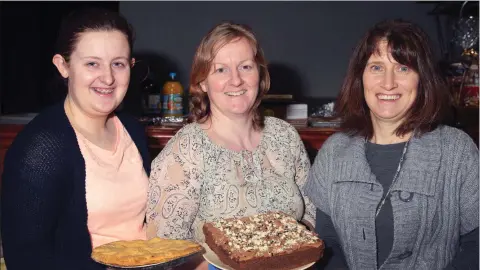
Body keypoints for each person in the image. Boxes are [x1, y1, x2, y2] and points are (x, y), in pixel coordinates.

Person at [304, 19, 479, 270]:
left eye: (403, 68)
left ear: (422, 79)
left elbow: (476, 244)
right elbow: (326, 242)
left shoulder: (457, 151)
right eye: (376, 67)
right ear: (360, 77)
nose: (388, 83)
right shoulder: (334, 152)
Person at [146, 21, 316, 270]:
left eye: (245, 67)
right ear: (203, 82)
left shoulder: (286, 136)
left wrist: (295, 249)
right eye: (221, 70)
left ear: (260, 74)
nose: (236, 80)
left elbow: (311, 212)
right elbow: (164, 250)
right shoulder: (187, 149)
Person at [1, 8, 150, 270]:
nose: (108, 78)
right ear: (63, 65)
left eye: (118, 63)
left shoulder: (133, 130)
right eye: (92, 63)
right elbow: (25, 260)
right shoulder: (40, 151)